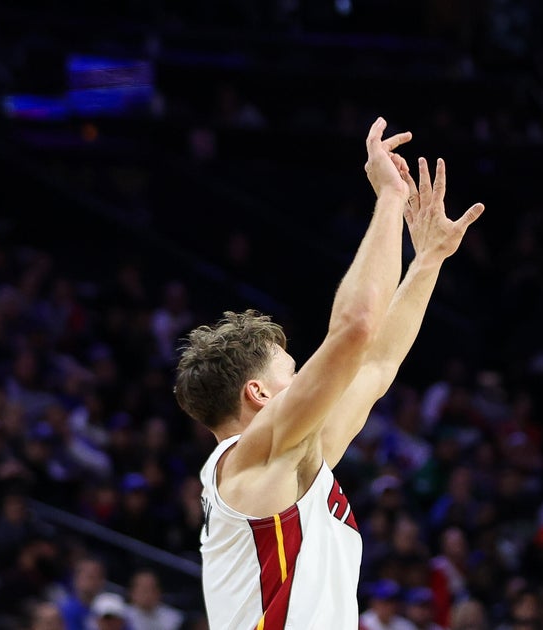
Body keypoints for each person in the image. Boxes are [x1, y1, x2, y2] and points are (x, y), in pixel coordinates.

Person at [174, 118, 484, 629]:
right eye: (292, 372)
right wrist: (388, 196)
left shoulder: (290, 463)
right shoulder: (254, 458)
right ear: (257, 392)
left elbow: (378, 365)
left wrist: (427, 259)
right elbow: (356, 329)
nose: (307, 383)